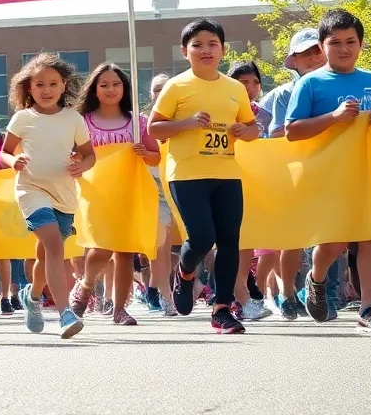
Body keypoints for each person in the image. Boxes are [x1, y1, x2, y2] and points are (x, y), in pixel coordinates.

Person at [284, 8, 371, 333]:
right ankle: (316, 277)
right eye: (335, 42)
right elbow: (292, 131)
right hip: (326, 176)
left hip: (369, 173)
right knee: (334, 242)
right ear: (322, 46)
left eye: (350, 41)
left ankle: (368, 308)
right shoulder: (311, 84)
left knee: (369, 237)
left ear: (361, 44)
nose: (343, 48)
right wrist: (334, 117)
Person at [148, 18, 261, 335]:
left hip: (226, 173)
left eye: (212, 44)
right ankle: (184, 272)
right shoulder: (177, 86)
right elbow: (154, 128)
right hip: (186, 174)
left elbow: (252, 129)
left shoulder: (235, 88)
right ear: (185, 51)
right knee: (201, 238)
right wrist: (186, 124)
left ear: (223, 50)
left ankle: (222, 310)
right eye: (197, 44)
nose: (205, 50)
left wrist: (245, 131)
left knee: (229, 241)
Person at [0, 53, 95, 339]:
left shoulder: (73, 119)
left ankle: (33, 295)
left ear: (64, 86)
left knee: (45, 254)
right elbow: (4, 151)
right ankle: (65, 313)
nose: (46, 90)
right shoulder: (22, 118)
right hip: (31, 190)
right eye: (39, 84)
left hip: (64, 195)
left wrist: (82, 165)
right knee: (54, 246)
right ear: (29, 88)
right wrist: (12, 161)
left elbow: (90, 155)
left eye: (53, 83)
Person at [71, 63, 161, 326]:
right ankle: (86, 285)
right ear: (94, 89)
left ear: (125, 88)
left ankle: (120, 309)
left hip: (129, 191)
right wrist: (75, 157)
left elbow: (156, 157)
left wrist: (145, 154)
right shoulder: (82, 122)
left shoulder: (136, 122)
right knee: (101, 246)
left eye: (116, 84)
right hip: (95, 192)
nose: (111, 90)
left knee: (124, 252)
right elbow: (71, 153)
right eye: (104, 85)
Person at [258, 28, 326, 320]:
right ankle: (287, 294)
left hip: (330, 171)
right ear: (293, 61)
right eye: (304, 53)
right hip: (292, 175)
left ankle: (318, 286)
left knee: (332, 234)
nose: (312, 57)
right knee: (294, 238)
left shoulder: (338, 86)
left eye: (316, 50)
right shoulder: (283, 94)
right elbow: (274, 134)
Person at [228, 60, 275, 323]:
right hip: (226, 179)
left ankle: (242, 296)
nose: (250, 86)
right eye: (243, 81)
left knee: (247, 241)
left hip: (255, 184)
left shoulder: (262, 113)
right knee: (233, 241)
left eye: (254, 81)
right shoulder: (221, 107)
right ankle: (239, 297)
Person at [145, 72, 177, 315]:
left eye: (165, 88)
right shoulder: (143, 122)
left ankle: (157, 288)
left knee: (170, 246)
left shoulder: (181, 121)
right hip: (151, 188)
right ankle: (165, 296)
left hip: (177, 185)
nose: (160, 92)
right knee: (160, 244)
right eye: (157, 89)